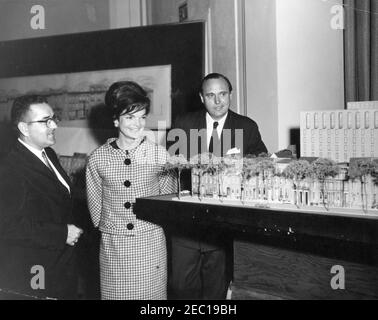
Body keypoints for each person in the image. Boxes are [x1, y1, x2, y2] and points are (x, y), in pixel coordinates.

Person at [168, 73, 267, 299]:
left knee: (216, 290)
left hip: (224, 225)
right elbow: (172, 166)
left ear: (230, 95)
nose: (218, 101)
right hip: (187, 224)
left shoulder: (247, 126)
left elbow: (261, 167)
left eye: (223, 94)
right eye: (211, 95)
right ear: (202, 98)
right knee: (181, 288)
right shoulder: (184, 124)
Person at [86, 81, 176, 300]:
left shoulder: (159, 154)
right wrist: (111, 230)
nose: (137, 124)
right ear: (116, 119)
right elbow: (96, 206)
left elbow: (168, 200)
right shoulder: (98, 158)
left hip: (150, 244)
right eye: (130, 117)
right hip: (114, 247)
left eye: (142, 117)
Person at [0, 95, 83, 300]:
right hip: (35, 269)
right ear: (24, 128)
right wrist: (61, 233)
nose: (54, 125)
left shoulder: (49, 155)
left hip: (60, 264)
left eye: (53, 118)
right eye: (45, 121)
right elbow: (7, 225)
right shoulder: (10, 168)